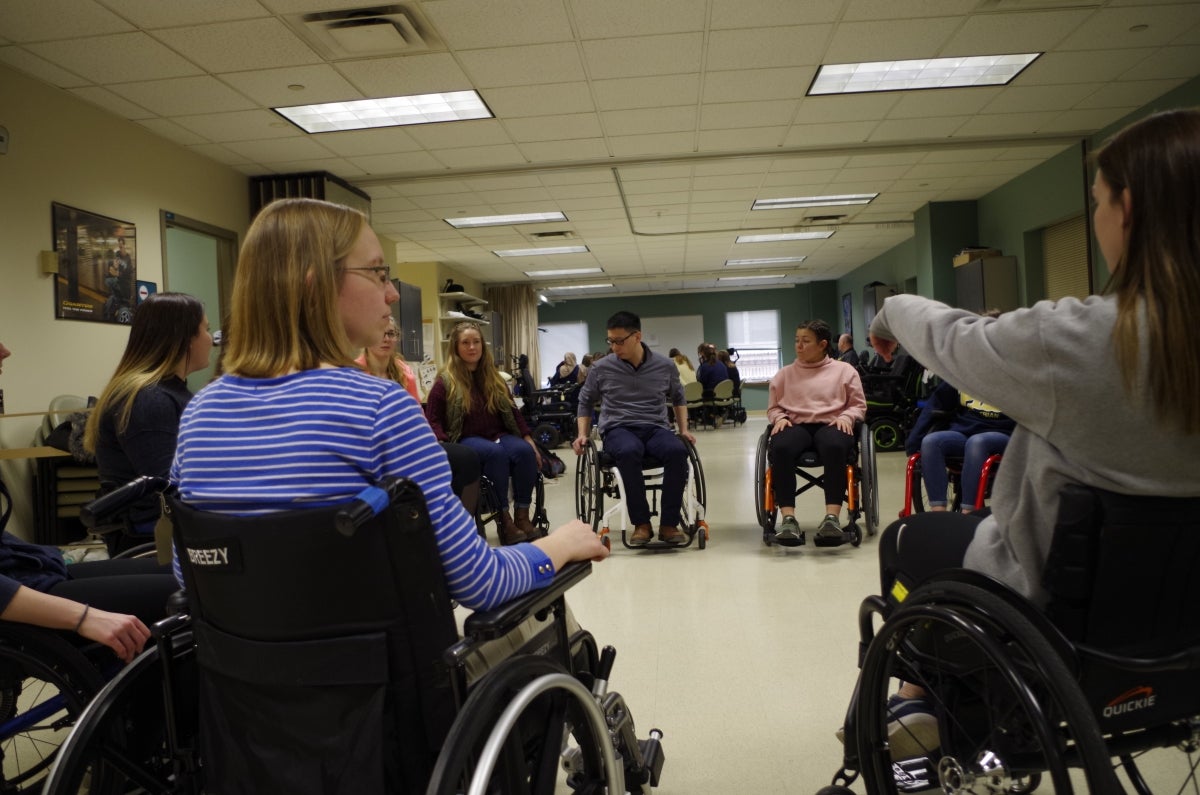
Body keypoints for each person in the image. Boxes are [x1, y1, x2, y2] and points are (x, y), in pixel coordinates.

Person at [864, 108, 1200, 755]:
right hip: (1184, 619)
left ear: (1126, 209)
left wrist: (892, 307)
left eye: (1098, 201)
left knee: (911, 537)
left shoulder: (1079, 339)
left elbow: (951, 338)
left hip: (1058, 618)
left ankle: (919, 699)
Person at [170, 198, 608, 612]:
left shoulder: (201, 413)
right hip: (374, 678)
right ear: (316, 284)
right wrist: (558, 545)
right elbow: (481, 582)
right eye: (379, 274)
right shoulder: (378, 407)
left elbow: (188, 572)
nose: (393, 294)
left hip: (238, 680)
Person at [0, 343, 174, 663]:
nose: (6, 352)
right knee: (188, 593)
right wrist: (84, 617)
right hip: (17, 593)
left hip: (29, 572)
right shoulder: (150, 400)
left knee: (181, 571)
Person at [84, 292, 212, 546]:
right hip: (149, 539)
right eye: (207, 330)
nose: (212, 339)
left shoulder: (169, 392)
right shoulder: (148, 399)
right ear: (184, 338)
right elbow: (168, 487)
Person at [573, 312, 696, 546]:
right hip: (618, 428)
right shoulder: (601, 368)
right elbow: (585, 402)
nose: (614, 346)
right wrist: (582, 435)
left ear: (637, 336)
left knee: (677, 451)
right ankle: (641, 524)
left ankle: (669, 524)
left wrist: (684, 429)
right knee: (629, 451)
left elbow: (679, 399)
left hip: (655, 427)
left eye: (619, 341)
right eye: (610, 341)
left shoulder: (665, 365)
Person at [426, 321, 544, 546]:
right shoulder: (445, 382)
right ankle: (504, 519)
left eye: (476, 342)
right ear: (456, 348)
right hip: (466, 437)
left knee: (523, 452)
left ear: (483, 346)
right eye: (466, 343)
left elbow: (513, 412)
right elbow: (433, 420)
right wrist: (441, 447)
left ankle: (522, 516)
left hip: (498, 433)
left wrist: (528, 438)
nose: (472, 347)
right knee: (495, 454)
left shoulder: (495, 377)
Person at [766, 320, 867, 543]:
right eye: (796, 341)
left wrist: (847, 416)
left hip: (832, 423)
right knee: (780, 447)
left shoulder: (844, 371)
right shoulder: (784, 375)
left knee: (835, 446)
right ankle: (788, 519)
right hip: (796, 425)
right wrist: (779, 418)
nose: (798, 346)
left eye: (805, 341)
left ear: (822, 344)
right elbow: (773, 408)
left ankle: (832, 517)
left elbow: (858, 405)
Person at [905, 368, 1014, 514]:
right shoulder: (963, 370)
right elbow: (936, 403)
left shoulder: (1015, 373)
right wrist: (914, 442)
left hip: (1003, 432)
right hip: (964, 431)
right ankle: (938, 513)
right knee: (931, 442)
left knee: (976, 443)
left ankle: (968, 511)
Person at [356, 316, 419, 402]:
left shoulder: (406, 374)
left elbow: (415, 412)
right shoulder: (354, 373)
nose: (386, 339)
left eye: (391, 334)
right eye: (379, 333)